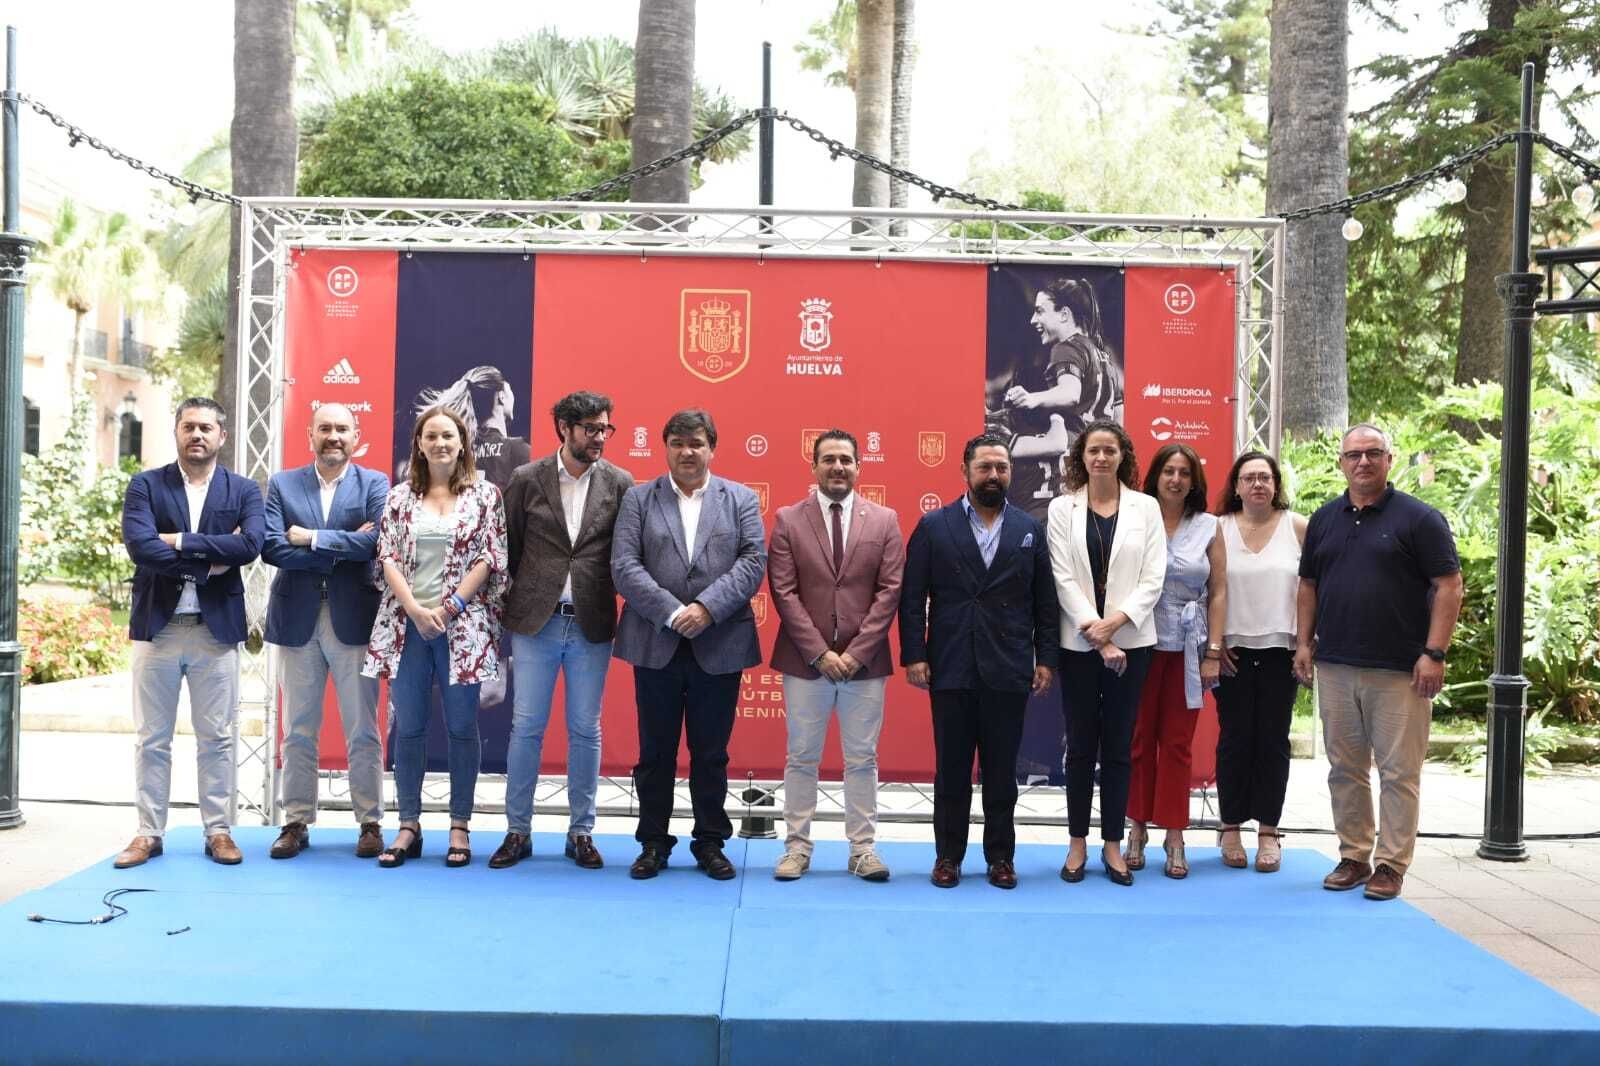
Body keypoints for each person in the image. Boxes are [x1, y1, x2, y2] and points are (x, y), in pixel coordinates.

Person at [1296, 424, 1462, 901]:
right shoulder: (1324, 519)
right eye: (1353, 455)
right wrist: (1304, 644)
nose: (1362, 462)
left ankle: (1390, 864)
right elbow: (1308, 585)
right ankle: (1353, 855)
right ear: (1341, 463)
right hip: (1336, 666)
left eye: (1372, 453)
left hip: (1401, 671)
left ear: (1390, 459)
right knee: (1344, 768)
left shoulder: (1420, 518)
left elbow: (1449, 586)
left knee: (1398, 773)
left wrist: (1435, 653)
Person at [611, 409, 767, 881]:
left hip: (719, 640)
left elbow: (752, 561)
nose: (687, 451)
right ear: (666, 448)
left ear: (712, 447)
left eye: (696, 442)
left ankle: (710, 841)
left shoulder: (739, 498)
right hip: (655, 639)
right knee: (655, 750)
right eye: (678, 442)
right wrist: (672, 611)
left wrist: (704, 608)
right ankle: (653, 842)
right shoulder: (639, 498)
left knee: (711, 751)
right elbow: (624, 564)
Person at [900, 433, 1057, 890]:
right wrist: (914, 654)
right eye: (985, 468)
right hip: (950, 666)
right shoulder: (934, 526)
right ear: (965, 472)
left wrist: (1045, 657)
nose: (993, 476)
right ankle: (948, 857)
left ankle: (1001, 859)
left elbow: (1045, 603)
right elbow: (912, 599)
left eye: (1001, 468)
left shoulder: (1029, 528)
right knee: (950, 771)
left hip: (1009, 669)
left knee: (1002, 774)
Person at [115, 397, 264, 868]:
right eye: (188, 427)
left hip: (213, 631)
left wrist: (178, 542)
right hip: (156, 630)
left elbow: (251, 544)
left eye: (206, 428)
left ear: (222, 436)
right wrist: (208, 562)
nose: (197, 435)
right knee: (152, 738)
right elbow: (140, 547)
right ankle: (147, 833)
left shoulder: (242, 490)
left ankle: (218, 831)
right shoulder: (146, 485)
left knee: (217, 737)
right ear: (176, 432)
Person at [491, 391, 633, 871]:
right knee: (526, 727)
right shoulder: (526, 478)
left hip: (591, 621)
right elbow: (506, 551)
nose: (600, 438)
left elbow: (625, 553)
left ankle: (581, 831)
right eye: (591, 429)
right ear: (565, 430)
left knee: (585, 730)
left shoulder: (621, 483)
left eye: (605, 429)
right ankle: (518, 830)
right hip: (536, 622)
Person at [362, 406, 509, 869]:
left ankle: (460, 824)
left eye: (448, 435)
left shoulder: (486, 494)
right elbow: (385, 555)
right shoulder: (400, 496)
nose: (440, 443)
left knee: (463, 728)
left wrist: (451, 608)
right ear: (420, 444)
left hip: (461, 628)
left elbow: (491, 555)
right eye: (432, 436)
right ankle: (408, 824)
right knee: (409, 727)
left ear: (462, 442)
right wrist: (415, 609)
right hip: (406, 627)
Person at [768, 430, 905, 883]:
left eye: (846, 459)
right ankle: (796, 848)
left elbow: (889, 592)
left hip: (865, 664)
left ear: (859, 466)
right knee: (801, 756)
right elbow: (784, 593)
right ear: (814, 467)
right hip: (806, 662)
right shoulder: (789, 519)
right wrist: (821, 653)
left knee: (862, 758)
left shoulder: (884, 520)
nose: (838, 467)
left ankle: (863, 849)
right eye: (828, 459)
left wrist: (855, 652)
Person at [262, 403, 390, 860]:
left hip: (353, 619)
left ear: (356, 436)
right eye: (324, 429)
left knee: (363, 728)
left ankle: (370, 822)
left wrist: (310, 538)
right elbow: (272, 547)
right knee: (298, 728)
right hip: (297, 620)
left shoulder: (374, 484)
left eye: (342, 429)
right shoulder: (282, 483)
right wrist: (342, 544)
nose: (333, 436)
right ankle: (295, 821)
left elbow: (376, 543)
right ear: (309, 436)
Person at [1047, 420, 1165, 886]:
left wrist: (1115, 626)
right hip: (1079, 645)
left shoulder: (1147, 508)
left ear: (1122, 456)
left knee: (1119, 747)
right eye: (1093, 450)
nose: (1100, 458)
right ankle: (1076, 843)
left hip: (1132, 645)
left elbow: (1153, 577)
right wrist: (1099, 636)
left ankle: (1112, 845)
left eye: (1109, 450)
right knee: (1079, 747)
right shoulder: (1061, 508)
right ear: (1081, 456)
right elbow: (1062, 576)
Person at [1126, 443, 1225, 880]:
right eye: (1169, 470)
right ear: (1155, 476)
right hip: (1140, 644)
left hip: (1187, 650)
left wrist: (1214, 652)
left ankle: (1175, 833)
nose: (1176, 479)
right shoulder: (1137, 518)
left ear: (1194, 481)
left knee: (1178, 745)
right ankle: (1135, 828)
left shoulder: (1209, 526)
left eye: (1185, 472)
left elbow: (1219, 591)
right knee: (1139, 741)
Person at [1213, 451, 1307, 874]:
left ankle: (1269, 831)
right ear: (1235, 486)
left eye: (1265, 478)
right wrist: (1213, 645)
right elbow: (1205, 590)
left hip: (1281, 651)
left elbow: (1313, 589)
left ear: (1276, 485)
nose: (1257, 485)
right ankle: (1230, 826)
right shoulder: (1217, 529)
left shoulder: (1297, 527)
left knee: (1273, 741)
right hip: (1231, 653)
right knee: (1234, 740)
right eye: (1249, 478)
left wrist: (1307, 643)